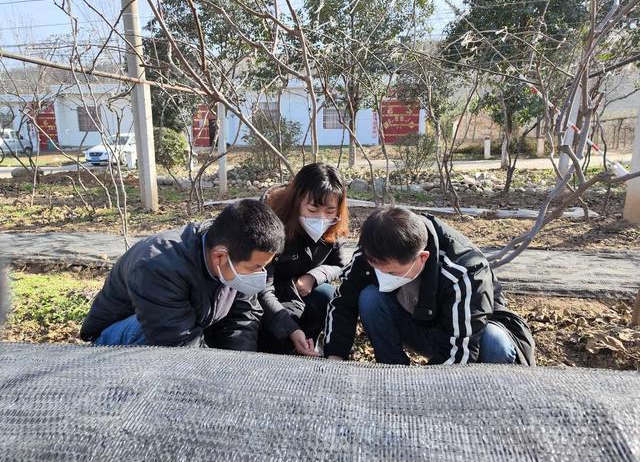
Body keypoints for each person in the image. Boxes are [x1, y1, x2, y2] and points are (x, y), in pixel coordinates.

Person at [323, 207, 535, 365]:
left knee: (495, 342)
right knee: (370, 298)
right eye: (378, 269)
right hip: (420, 326)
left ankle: (487, 393)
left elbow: (462, 351)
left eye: (391, 272)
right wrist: (335, 355)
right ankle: (392, 373)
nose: (383, 276)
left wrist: (426, 390)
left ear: (422, 257)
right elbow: (343, 303)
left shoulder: (465, 271)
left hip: (468, 338)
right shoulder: (374, 252)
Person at [80, 199, 285, 350]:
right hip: (117, 337)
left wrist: (239, 367)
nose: (260, 274)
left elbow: (242, 318)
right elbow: (177, 340)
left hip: (189, 325)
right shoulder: (158, 266)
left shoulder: (235, 256)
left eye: (264, 267)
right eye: (255, 267)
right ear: (220, 257)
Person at [258, 163, 350, 356]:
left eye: (330, 211)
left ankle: (308, 345)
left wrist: (313, 276)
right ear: (296, 200)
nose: (321, 218)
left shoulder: (333, 227)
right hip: (269, 301)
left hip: (302, 296)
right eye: (313, 209)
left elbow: (339, 264)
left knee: (328, 294)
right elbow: (262, 288)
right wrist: (290, 328)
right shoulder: (273, 225)